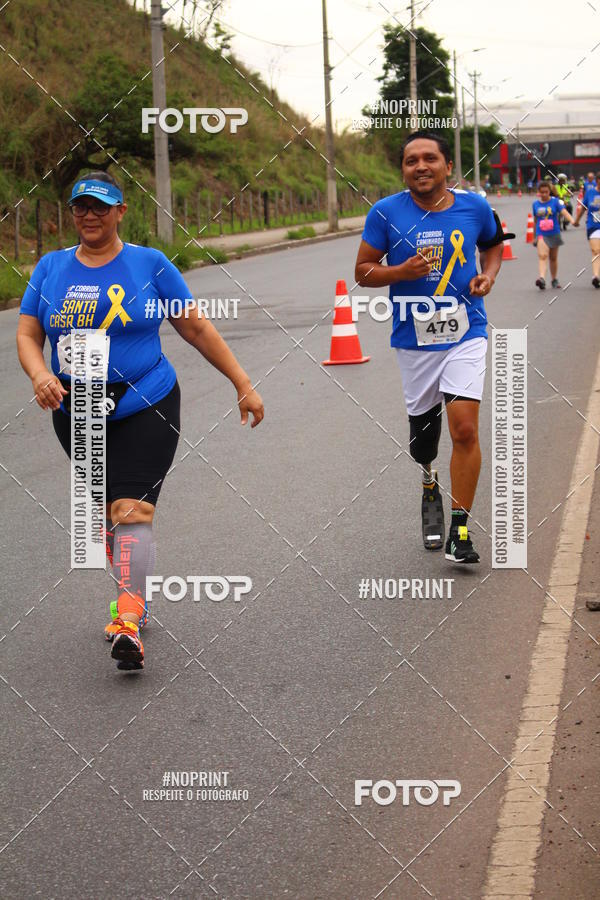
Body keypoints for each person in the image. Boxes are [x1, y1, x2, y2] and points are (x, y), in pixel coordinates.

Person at [16, 172, 264, 672]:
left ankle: (127, 618)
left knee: (132, 510)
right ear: (72, 213)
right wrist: (40, 373)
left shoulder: (150, 265)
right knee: (108, 513)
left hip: (146, 401)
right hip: (77, 409)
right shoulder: (50, 268)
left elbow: (194, 326)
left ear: (121, 211)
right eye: (81, 207)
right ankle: (134, 588)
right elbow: (27, 333)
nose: (90, 215)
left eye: (100, 207)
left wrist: (242, 382)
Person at [354, 131, 506, 565]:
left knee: (464, 429)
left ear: (447, 167)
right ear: (403, 170)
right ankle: (428, 476)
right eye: (410, 161)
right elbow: (364, 271)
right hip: (414, 340)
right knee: (424, 439)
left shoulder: (474, 206)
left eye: (429, 159)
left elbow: (493, 246)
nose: (420, 166)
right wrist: (399, 271)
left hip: (467, 332)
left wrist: (488, 276)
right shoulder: (386, 213)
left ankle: (460, 529)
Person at [532, 181, 576, 289]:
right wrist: (534, 237)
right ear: (539, 192)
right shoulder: (535, 204)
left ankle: (554, 279)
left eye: (546, 192)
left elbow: (564, 212)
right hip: (541, 233)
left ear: (549, 191)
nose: (544, 194)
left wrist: (573, 221)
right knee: (543, 256)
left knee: (553, 258)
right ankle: (541, 278)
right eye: (542, 192)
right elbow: (535, 221)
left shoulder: (555, 202)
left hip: (554, 233)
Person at [574, 171, 600, 288]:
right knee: (596, 251)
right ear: (597, 181)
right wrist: (577, 220)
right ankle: (595, 276)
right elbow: (583, 208)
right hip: (593, 226)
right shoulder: (590, 192)